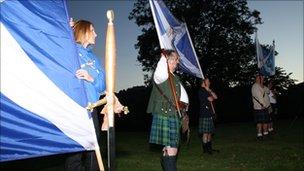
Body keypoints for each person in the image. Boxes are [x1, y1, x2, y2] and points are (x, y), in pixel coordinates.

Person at [65, 19, 106, 171]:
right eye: (93, 30)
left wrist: (91, 78)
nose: (96, 34)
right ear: (84, 32)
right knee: (75, 151)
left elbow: (103, 85)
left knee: (93, 150)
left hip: (92, 108)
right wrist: (66, 29)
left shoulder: (94, 58)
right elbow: (59, 44)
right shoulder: (71, 50)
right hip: (75, 107)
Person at [147, 49, 189, 171]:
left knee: (170, 149)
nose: (178, 61)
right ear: (169, 61)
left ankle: (166, 165)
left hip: (174, 114)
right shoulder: (162, 74)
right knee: (172, 149)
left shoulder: (173, 76)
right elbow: (161, 68)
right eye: (176, 59)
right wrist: (163, 56)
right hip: (166, 113)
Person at [198, 78, 218, 154]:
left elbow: (215, 97)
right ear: (204, 82)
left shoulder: (208, 90)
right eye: (208, 81)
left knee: (210, 132)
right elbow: (211, 99)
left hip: (210, 113)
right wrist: (208, 92)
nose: (209, 82)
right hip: (204, 114)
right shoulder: (201, 90)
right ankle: (205, 149)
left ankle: (209, 148)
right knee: (205, 132)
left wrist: (209, 90)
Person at [251, 75, 271, 140]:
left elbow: (268, 91)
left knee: (265, 121)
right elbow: (259, 96)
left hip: (264, 107)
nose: (262, 79)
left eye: (262, 78)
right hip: (261, 107)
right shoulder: (255, 86)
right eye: (260, 78)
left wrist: (263, 85)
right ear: (257, 79)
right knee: (261, 122)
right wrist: (263, 105)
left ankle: (265, 134)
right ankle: (260, 135)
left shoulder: (263, 86)